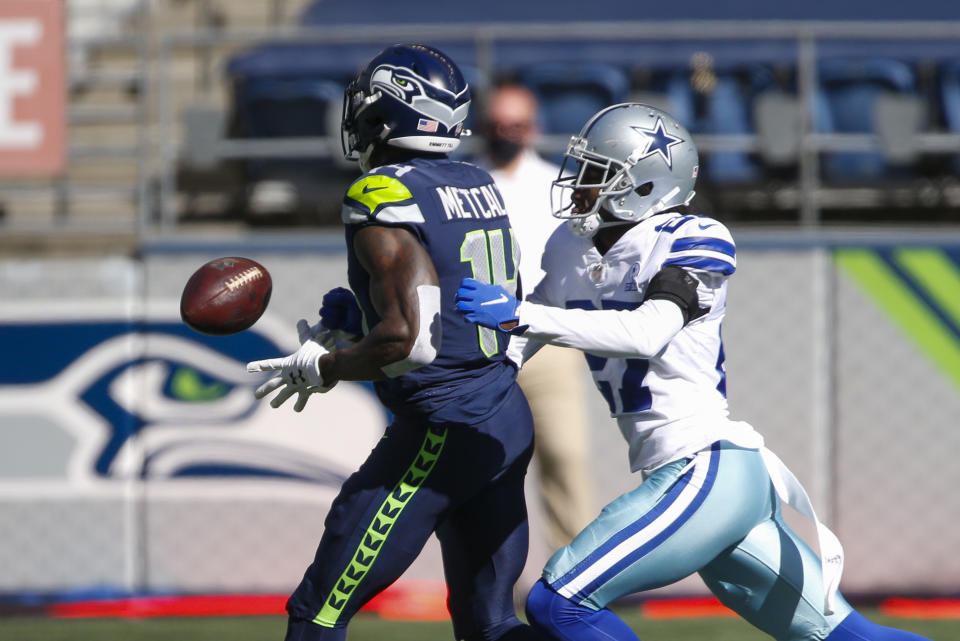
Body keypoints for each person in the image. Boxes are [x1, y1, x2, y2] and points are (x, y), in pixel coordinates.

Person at [455, 103, 932, 641]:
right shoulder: (571, 245)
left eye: (595, 174)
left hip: (705, 467)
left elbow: (647, 332)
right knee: (845, 636)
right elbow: (527, 336)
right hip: (697, 477)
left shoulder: (691, 236)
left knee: (560, 599)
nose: (579, 186)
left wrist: (521, 314)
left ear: (643, 185)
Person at [246, 44, 545, 641]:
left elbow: (411, 340)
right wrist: (360, 315)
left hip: (442, 424)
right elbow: (457, 302)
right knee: (491, 623)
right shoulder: (475, 180)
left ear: (391, 113)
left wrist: (325, 366)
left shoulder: (382, 193)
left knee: (318, 612)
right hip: (502, 414)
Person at [475, 83, 594, 552]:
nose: (507, 134)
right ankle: (486, 582)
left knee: (566, 456)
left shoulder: (554, 187)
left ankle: (579, 576)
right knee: (484, 467)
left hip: (545, 340)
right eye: (498, 124)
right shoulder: (462, 184)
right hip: (480, 345)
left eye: (517, 124)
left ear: (535, 129)